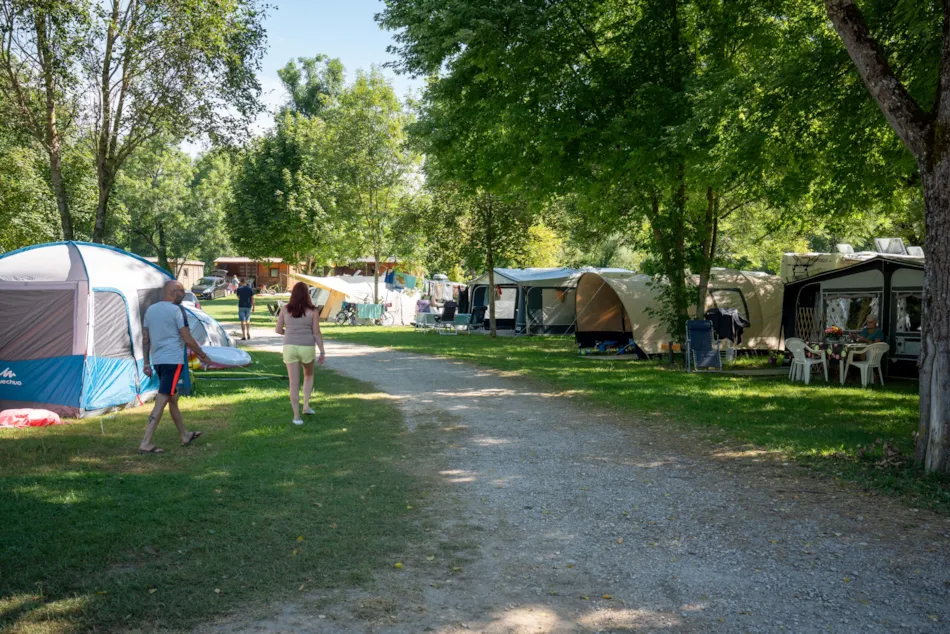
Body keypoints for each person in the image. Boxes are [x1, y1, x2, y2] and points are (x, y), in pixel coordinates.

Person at [139, 280, 211, 454]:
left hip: (158, 361)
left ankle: (185, 434)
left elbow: (146, 338)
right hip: (172, 361)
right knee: (163, 398)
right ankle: (146, 441)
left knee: (173, 398)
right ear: (172, 292)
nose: (184, 293)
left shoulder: (150, 310)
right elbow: (187, 338)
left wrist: (147, 363)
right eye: (181, 291)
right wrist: (203, 355)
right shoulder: (177, 310)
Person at [276, 282, 326, 425]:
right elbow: (316, 332)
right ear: (307, 294)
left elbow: (278, 330)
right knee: (308, 376)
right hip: (307, 346)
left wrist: (290, 333)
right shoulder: (313, 311)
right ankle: (306, 406)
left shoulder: (285, 309)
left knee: (293, 383)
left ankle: (296, 416)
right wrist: (322, 351)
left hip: (289, 347)